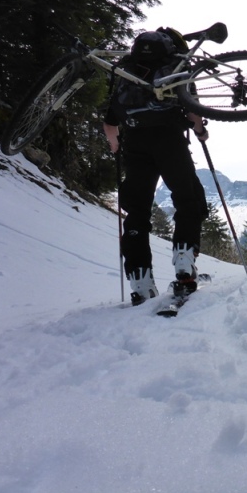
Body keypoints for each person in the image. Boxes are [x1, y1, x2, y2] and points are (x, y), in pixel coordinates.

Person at [103, 32, 210, 306]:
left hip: (136, 144)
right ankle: (185, 265)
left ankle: (140, 283)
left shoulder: (129, 69)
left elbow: (111, 123)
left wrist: (116, 145)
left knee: (137, 213)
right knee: (188, 198)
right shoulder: (175, 68)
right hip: (169, 140)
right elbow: (192, 111)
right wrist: (200, 131)